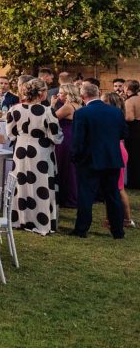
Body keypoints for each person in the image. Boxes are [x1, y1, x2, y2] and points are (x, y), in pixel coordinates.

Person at [6, 77, 63, 236]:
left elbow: (10, 133)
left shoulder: (14, 109)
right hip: (41, 150)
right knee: (42, 184)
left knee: (22, 183)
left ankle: (21, 220)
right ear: (42, 93)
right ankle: (41, 221)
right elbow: (56, 135)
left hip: (21, 149)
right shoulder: (47, 111)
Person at [70, 82, 126, 239]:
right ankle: (118, 231)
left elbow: (77, 140)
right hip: (112, 158)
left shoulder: (82, 113)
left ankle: (81, 229)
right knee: (113, 195)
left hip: (89, 160)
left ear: (82, 96)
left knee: (86, 195)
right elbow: (123, 133)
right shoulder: (116, 112)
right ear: (98, 93)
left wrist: (75, 157)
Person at [102, 92, 135, 229]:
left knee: (118, 187)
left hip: (116, 151)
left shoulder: (113, 117)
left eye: (104, 102)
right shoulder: (117, 116)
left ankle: (127, 220)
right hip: (116, 150)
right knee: (113, 187)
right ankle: (112, 218)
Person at [53, 82, 82, 208]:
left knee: (64, 166)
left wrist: (52, 105)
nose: (59, 95)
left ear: (68, 94)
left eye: (61, 93)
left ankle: (67, 197)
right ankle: (73, 196)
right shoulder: (80, 105)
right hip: (74, 136)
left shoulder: (68, 107)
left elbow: (52, 118)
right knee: (72, 168)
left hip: (65, 137)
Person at [124, 80, 140, 190]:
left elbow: (129, 118)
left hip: (135, 129)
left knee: (134, 156)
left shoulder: (130, 101)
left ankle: (134, 182)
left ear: (127, 89)